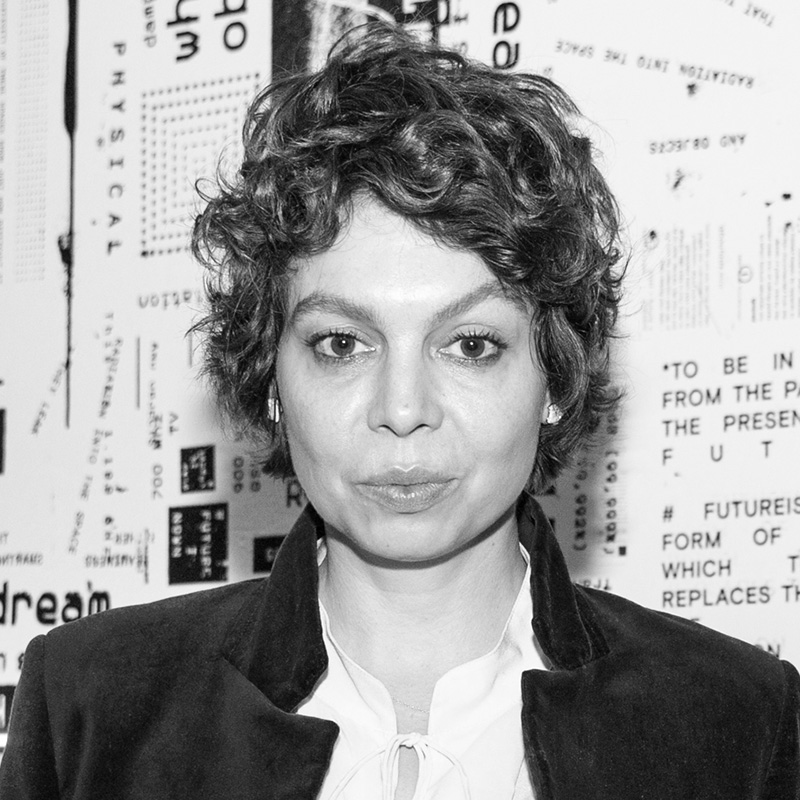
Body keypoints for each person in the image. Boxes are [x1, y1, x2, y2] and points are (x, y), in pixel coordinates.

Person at [1, 23, 798, 800]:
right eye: (342, 344)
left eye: (472, 345)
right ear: (270, 376)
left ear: (555, 377)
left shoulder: (738, 720)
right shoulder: (89, 709)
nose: (403, 409)